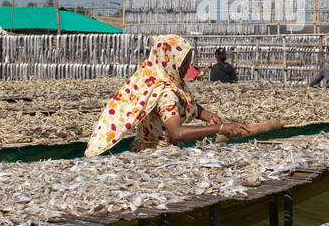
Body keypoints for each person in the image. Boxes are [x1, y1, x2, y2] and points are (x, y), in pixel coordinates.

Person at [86, 35, 248, 156]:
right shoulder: (165, 92)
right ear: (170, 61)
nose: (187, 68)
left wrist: (206, 115)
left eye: (188, 63)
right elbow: (177, 132)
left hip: (146, 150)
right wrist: (219, 128)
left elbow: (182, 103)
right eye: (183, 64)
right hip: (158, 156)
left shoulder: (155, 78)